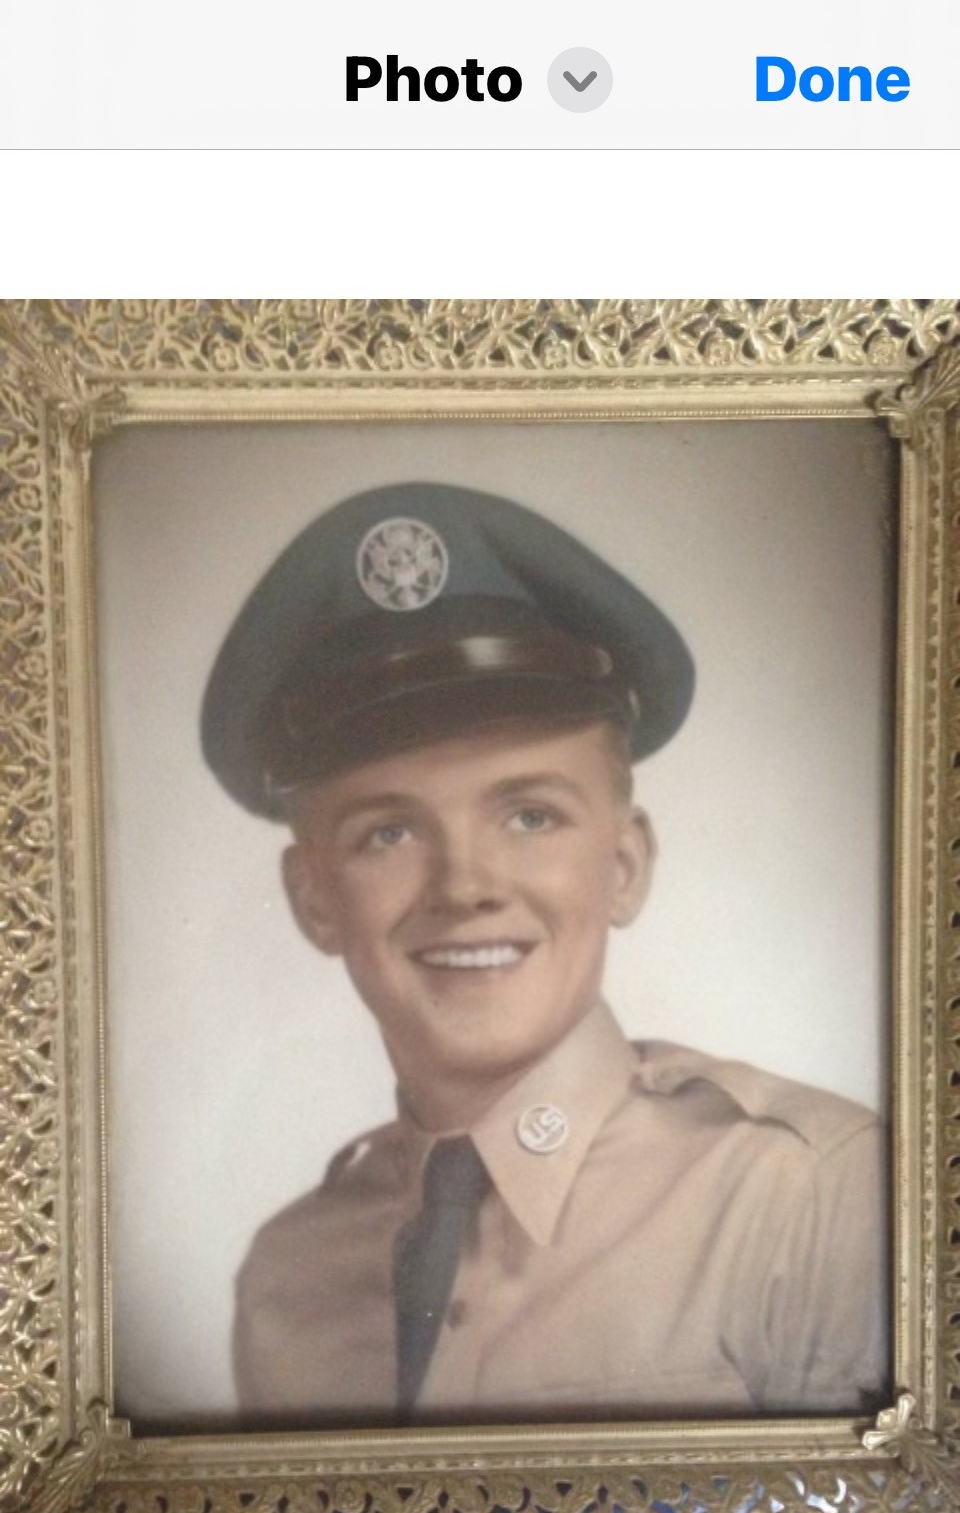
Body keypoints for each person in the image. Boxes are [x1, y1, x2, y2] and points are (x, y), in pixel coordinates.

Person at [201, 481, 887, 1425]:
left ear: (625, 866)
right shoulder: (287, 1278)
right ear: (313, 899)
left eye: (530, 815)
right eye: (387, 833)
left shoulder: (814, 1203)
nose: (464, 886)